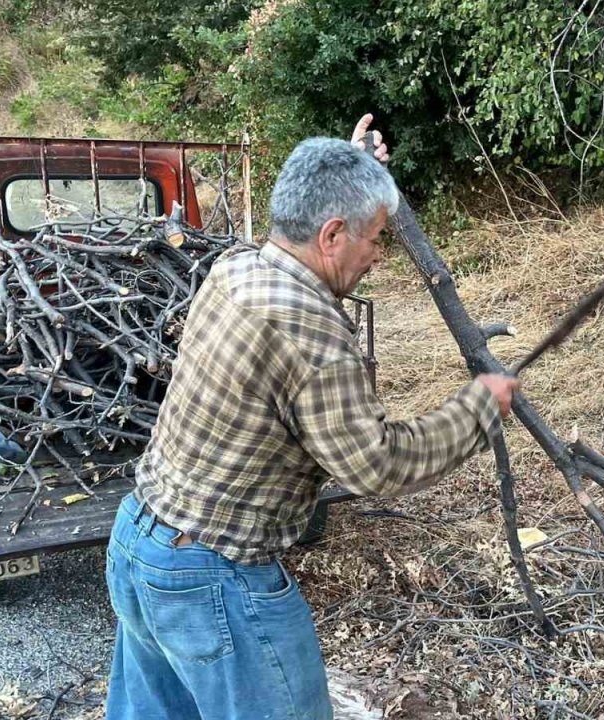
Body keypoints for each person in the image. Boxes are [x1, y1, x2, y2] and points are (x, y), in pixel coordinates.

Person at [104, 115, 518, 720]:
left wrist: (352, 172)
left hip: (139, 544)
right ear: (331, 234)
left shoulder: (236, 268)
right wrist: (478, 409)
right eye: (374, 238)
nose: (378, 255)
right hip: (212, 579)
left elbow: (312, 213)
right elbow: (378, 464)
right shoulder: (313, 332)